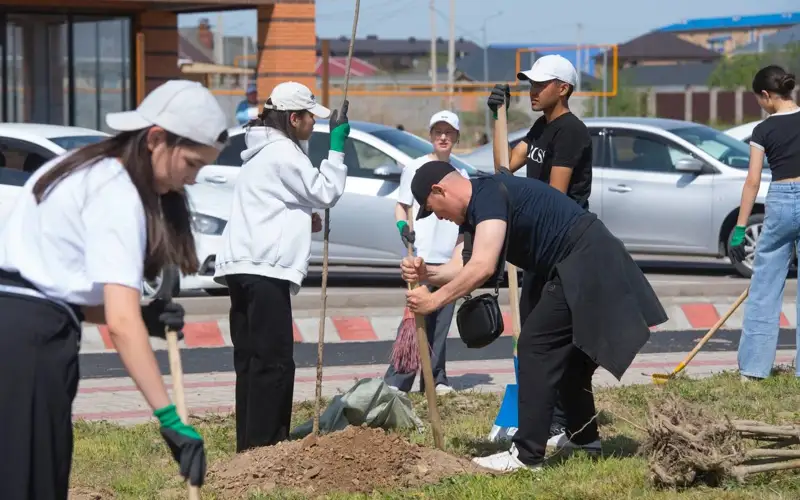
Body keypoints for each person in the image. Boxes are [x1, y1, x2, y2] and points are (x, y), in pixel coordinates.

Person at [0, 79, 227, 499]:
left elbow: (54, 283)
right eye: (192, 163)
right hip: (27, 347)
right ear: (156, 139)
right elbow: (120, 325)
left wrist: (142, 317)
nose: (193, 179)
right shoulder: (118, 193)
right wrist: (170, 419)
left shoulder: (81, 166)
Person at [401, 160, 667, 472]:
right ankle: (583, 437)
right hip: (581, 260)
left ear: (440, 189)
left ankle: (526, 455)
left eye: (435, 209)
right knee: (571, 359)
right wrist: (427, 273)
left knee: (535, 346)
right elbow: (465, 264)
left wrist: (432, 302)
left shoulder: (486, 195)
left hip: (585, 258)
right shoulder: (478, 206)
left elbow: (483, 267)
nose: (441, 218)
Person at [213, 81, 350, 452]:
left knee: (251, 361)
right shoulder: (282, 152)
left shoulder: (261, 151)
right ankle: (269, 448)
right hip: (264, 270)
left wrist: (302, 217)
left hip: (243, 267)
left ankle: (250, 447)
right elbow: (325, 192)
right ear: (293, 118)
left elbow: (273, 203)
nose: (314, 126)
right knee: (274, 363)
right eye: (310, 119)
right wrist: (336, 150)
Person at [486, 54, 593, 447]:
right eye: (530, 84)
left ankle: (561, 424)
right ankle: (550, 420)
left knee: (548, 341)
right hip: (539, 249)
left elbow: (555, 199)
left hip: (563, 248)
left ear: (562, 88)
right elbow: (504, 168)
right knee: (531, 332)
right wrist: (497, 116)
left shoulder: (571, 132)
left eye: (540, 84)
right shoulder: (540, 127)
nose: (532, 91)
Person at [385, 110, 469, 395]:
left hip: (448, 261)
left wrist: (461, 254)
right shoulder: (416, 168)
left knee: (442, 323)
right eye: (438, 132)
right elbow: (402, 206)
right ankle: (399, 381)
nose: (443, 137)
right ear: (431, 136)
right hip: (420, 257)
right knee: (414, 320)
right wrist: (402, 226)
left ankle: (436, 379)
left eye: (448, 132)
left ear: (456, 137)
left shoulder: (461, 175)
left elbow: (465, 220)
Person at [729, 65, 800, 382]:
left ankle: (753, 371)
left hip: (782, 200)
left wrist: (741, 228)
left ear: (767, 95)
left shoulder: (763, 131)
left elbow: (753, 182)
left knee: (764, 290)